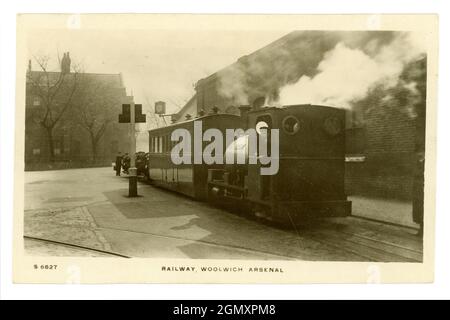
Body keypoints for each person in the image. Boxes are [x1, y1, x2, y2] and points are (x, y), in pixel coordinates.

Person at [412, 151, 425, 237]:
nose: (419, 154)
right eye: (418, 152)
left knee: (423, 210)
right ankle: (421, 229)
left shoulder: (427, 163)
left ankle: (424, 230)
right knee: (418, 210)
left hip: (424, 190)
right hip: (417, 190)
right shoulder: (417, 163)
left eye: (421, 152)